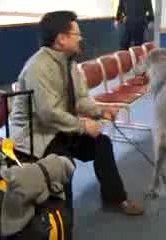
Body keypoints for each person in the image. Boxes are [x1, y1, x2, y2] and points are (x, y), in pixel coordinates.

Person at [9, 10, 145, 216]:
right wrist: (83, 126)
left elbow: (81, 99)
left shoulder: (69, 63)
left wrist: (101, 110)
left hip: (60, 129)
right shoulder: (38, 68)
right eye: (77, 34)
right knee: (64, 165)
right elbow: (48, 114)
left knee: (102, 144)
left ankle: (115, 197)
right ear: (61, 39)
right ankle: (64, 222)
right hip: (37, 137)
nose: (81, 38)